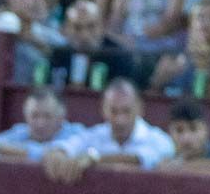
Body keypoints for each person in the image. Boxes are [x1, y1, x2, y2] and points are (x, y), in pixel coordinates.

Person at [42, 78, 174, 183]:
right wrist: (58, 154)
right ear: (103, 109)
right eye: (114, 111)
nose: (120, 120)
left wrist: (93, 159)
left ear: (140, 109)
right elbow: (63, 147)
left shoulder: (159, 139)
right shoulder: (94, 134)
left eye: (126, 111)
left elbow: (140, 159)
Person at [47, 0, 137, 89]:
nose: (84, 35)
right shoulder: (58, 55)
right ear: (66, 30)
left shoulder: (118, 55)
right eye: (77, 28)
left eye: (91, 27)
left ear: (102, 27)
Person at [0, 87, 85, 161]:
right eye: (34, 116)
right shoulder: (20, 131)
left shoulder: (77, 134)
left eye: (47, 116)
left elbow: (49, 155)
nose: (40, 123)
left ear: (62, 116)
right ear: (25, 115)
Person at [158, 99, 210, 174]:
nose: (186, 138)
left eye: (193, 129)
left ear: (206, 130)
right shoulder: (166, 154)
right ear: (170, 133)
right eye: (179, 131)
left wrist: (177, 167)